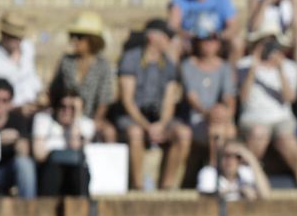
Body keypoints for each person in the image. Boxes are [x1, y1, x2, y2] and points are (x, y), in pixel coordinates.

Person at [116, 19, 191, 191]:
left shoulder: (169, 64)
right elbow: (127, 100)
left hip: (158, 117)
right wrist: (146, 126)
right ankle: (138, 186)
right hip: (134, 116)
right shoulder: (130, 59)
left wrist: (161, 125)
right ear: (153, 37)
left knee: (183, 133)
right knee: (135, 133)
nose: (170, 42)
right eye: (167, 37)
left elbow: (169, 101)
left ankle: (167, 185)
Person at [237, 27, 297, 188]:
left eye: (273, 43)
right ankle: (248, 180)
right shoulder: (244, 65)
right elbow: (243, 98)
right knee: (259, 133)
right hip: (253, 117)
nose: (268, 47)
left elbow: (290, 98)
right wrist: (253, 68)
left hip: (282, 118)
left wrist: (280, 69)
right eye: (264, 43)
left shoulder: (289, 66)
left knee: (288, 140)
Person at [56, 12, 117, 144]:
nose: (75, 41)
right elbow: (57, 90)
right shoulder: (66, 61)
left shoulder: (103, 65)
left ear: (92, 40)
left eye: (80, 37)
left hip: (90, 116)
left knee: (109, 133)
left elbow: (104, 99)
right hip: (67, 115)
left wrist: (96, 120)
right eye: (73, 36)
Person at [180, 28, 237, 160]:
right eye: (205, 40)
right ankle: (216, 170)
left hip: (219, 118)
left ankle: (221, 171)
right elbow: (191, 96)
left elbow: (229, 97)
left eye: (212, 40)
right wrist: (208, 113)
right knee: (217, 131)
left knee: (226, 130)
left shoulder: (225, 67)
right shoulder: (188, 66)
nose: (208, 44)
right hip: (197, 118)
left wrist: (225, 113)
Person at [32, 85, 92, 197]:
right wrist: (55, 155)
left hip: (75, 172)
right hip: (50, 169)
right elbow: (39, 155)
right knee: (54, 169)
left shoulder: (85, 124)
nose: (67, 111)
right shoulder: (43, 119)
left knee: (79, 170)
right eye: (63, 106)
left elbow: (75, 147)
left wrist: (74, 121)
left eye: (72, 108)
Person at [0, 12, 43, 111]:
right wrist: (17, 107)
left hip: (33, 106)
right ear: (3, 35)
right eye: (13, 36)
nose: (17, 40)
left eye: (19, 37)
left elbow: (32, 79)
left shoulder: (28, 47)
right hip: (8, 112)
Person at [197, 139, 271, 200]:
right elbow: (204, 198)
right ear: (220, 157)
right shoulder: (209, 172)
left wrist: (251, 159)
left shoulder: (246, 172)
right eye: (227, 155)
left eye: (236, 156)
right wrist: (238, 191)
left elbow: (265, 195)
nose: (231, 160)